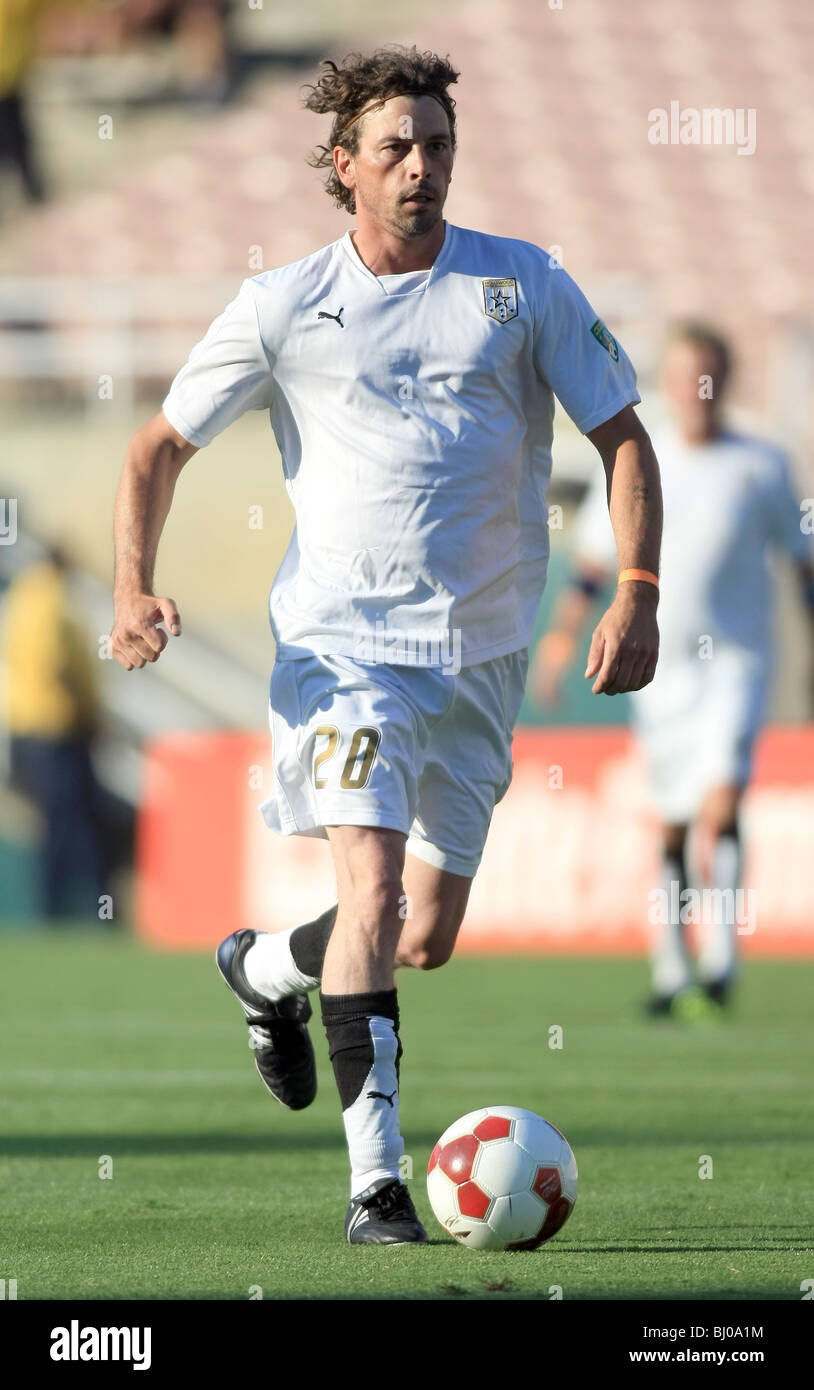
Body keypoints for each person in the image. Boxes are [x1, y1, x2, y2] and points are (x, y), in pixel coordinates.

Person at [111, 45, 662, 1244]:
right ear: (342, 166)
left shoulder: (520, 287)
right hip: (340, 645)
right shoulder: (282, 305)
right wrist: (132, 590)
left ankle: (264, 969)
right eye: (396, 148)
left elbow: (623, 437)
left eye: (438, 145)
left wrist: (636, 589)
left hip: (483, 648)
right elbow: (155, 448)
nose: (422, 167)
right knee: (366, 890)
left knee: (420, 934)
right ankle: (375, 1186)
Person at [532, 322, 814, 1018]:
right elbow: (596, 562)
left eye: (709, 375)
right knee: (675, 823)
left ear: (725, 380)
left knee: (721, 805)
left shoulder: (761, 464)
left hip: (737, 663)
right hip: (659, 669)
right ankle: (670, 967)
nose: (697, 389)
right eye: (687, 374)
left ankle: (721, 959)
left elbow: (802, 562)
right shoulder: (642, 454)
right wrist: (563, 638)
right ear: (670, 381)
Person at [4, 544, 108, 916]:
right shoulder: (51, 598)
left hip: (28, 727)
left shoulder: (22, 596)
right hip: (57, 727)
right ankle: (70, 907)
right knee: (72, 821)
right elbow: (57, 662)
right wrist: (89, 711)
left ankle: (57, 907)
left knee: (60, 819)